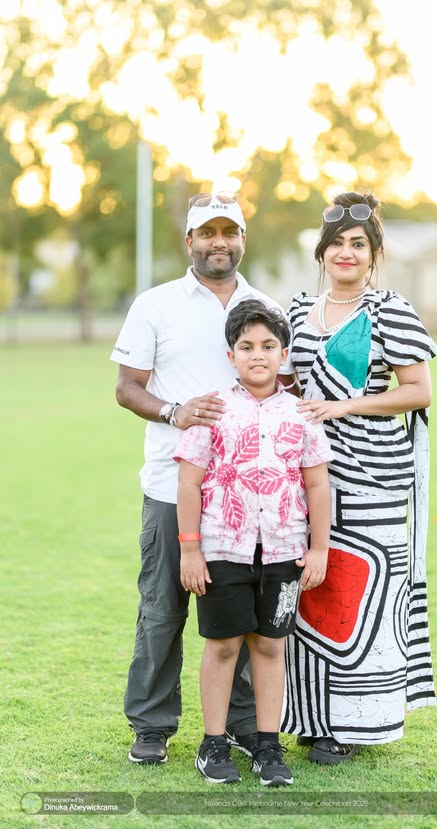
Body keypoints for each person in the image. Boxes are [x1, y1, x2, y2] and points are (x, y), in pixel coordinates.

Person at [110, 193, 294, 764]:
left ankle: (242, 724)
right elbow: (127, 387)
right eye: (207, 233)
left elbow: (281, 387)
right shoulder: (156, 304)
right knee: (164, 609)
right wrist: (174, 411)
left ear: (243, 239)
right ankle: (152, 724)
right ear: (189, 242)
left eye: (229, 232)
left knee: (242, 616)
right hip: (175, 487)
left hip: (250, 501)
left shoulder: (265, 304)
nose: (219, 242)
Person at [281, 191, 437, 764]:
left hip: (373, 475)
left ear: (373, 256)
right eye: (337, 245)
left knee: (360, 589)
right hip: (306, 475)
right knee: (310, 589)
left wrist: (345, 407)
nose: (346, 254)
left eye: (358, 245)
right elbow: (289, 386)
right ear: (321, 253)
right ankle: (310, 716)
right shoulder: (297, 312)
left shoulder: (390, 310)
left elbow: (419, 390)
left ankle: (354, 725)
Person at [173, 300, 332, 786]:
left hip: (284, 552)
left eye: (268, 346)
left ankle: (268, 745)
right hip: (224, 550)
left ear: (283, 353)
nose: (257, 355)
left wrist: (320, 548)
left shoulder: (301, 414)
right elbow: (188, 483)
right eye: (246, 347)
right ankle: (213, 743)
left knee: (269, 645)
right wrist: (190, 548)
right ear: (231, 355)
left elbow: (318, 485)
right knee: (222, 646)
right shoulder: (213, 409)